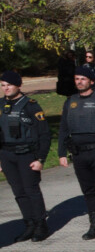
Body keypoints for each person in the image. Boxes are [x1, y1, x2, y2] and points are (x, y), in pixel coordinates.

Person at [58, 66, 95, 239]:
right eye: (77, 79)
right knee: (88, 190)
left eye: (83, 79)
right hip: (78, 153)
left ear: (91, 81)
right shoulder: (70, 101)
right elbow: (63, 128)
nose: (79, 82)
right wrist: (61, 153)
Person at [1, 70, 51, 242]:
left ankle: (40, 225)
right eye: (3, 85)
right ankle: (29, 224)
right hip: (7, 154)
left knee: (31, 191)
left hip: (26, 154)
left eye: (9, 85)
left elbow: (44, 134)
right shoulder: (1, 105)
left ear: (19, 85)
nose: (6, 88)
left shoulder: (31, 106)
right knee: (19, 192)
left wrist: (41, 159)